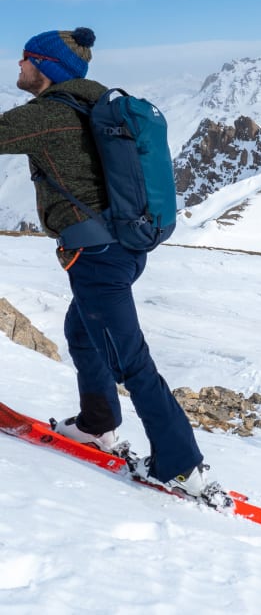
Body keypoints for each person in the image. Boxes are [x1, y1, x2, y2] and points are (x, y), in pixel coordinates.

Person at [0, 27, 219, 500]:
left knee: (130, 361)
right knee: (82, 332)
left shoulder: (49, 115)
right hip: (123, 247)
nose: (17, 65)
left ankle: (181, 466)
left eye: (25, 58)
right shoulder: (96, 101)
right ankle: (98, 424)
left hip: (98, 256)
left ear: (47, 67)